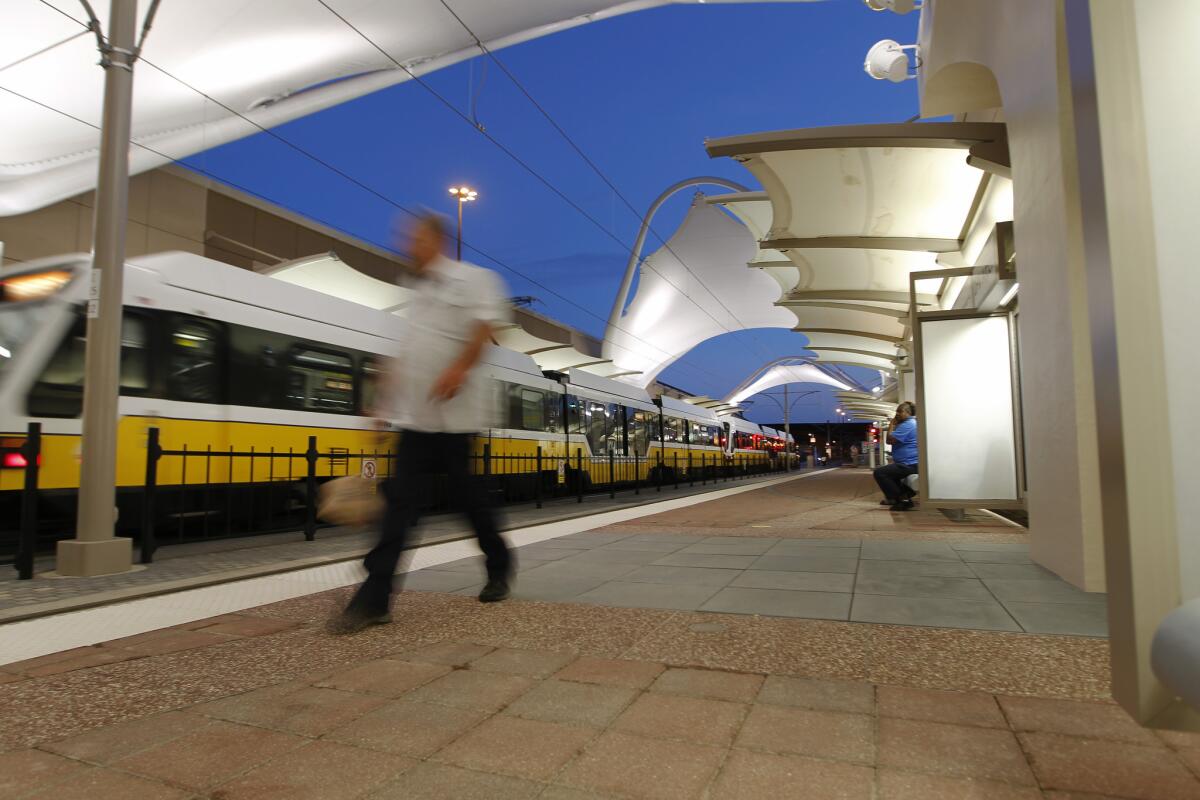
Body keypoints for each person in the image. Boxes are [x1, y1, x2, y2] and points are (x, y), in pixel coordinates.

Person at [330, 213, 513, 634]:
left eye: (415, 239)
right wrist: (380, 407)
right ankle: (375, 598)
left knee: (470, 503)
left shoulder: (473, 279)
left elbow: (484, 329)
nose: (408, 245)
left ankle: (499, 566)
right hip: (415, 420)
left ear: (436, 240)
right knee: (399, 507)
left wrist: (460, 370)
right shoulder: (416, 292)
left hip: (455, 418)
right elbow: (407, 354)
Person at [874, 401, 919, 511]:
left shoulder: (908, 424)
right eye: (897, 411)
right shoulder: (908, 424)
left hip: (910, 464)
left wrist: (892, 425)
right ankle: (900, 497)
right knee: (891, 474)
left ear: (908, 413)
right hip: (908, 463)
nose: (897, 414)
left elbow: (889, 440)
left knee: (880, 473)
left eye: (900, 411)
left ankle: (903, 500)